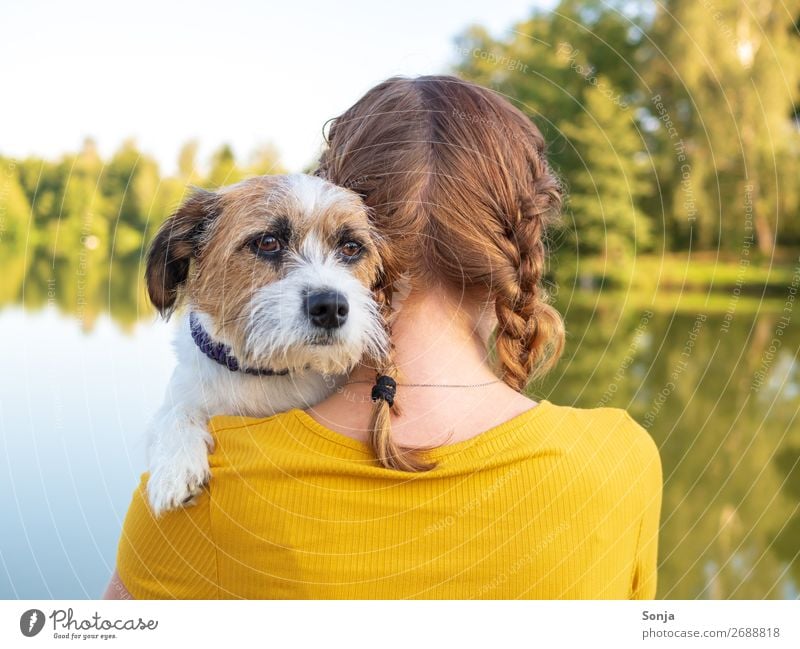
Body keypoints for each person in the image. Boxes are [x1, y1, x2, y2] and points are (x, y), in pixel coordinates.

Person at [104, 75, 662, 599]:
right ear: (519, 247)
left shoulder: (197, 499)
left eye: (347, 247)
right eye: (272, 247)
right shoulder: (621, 463)